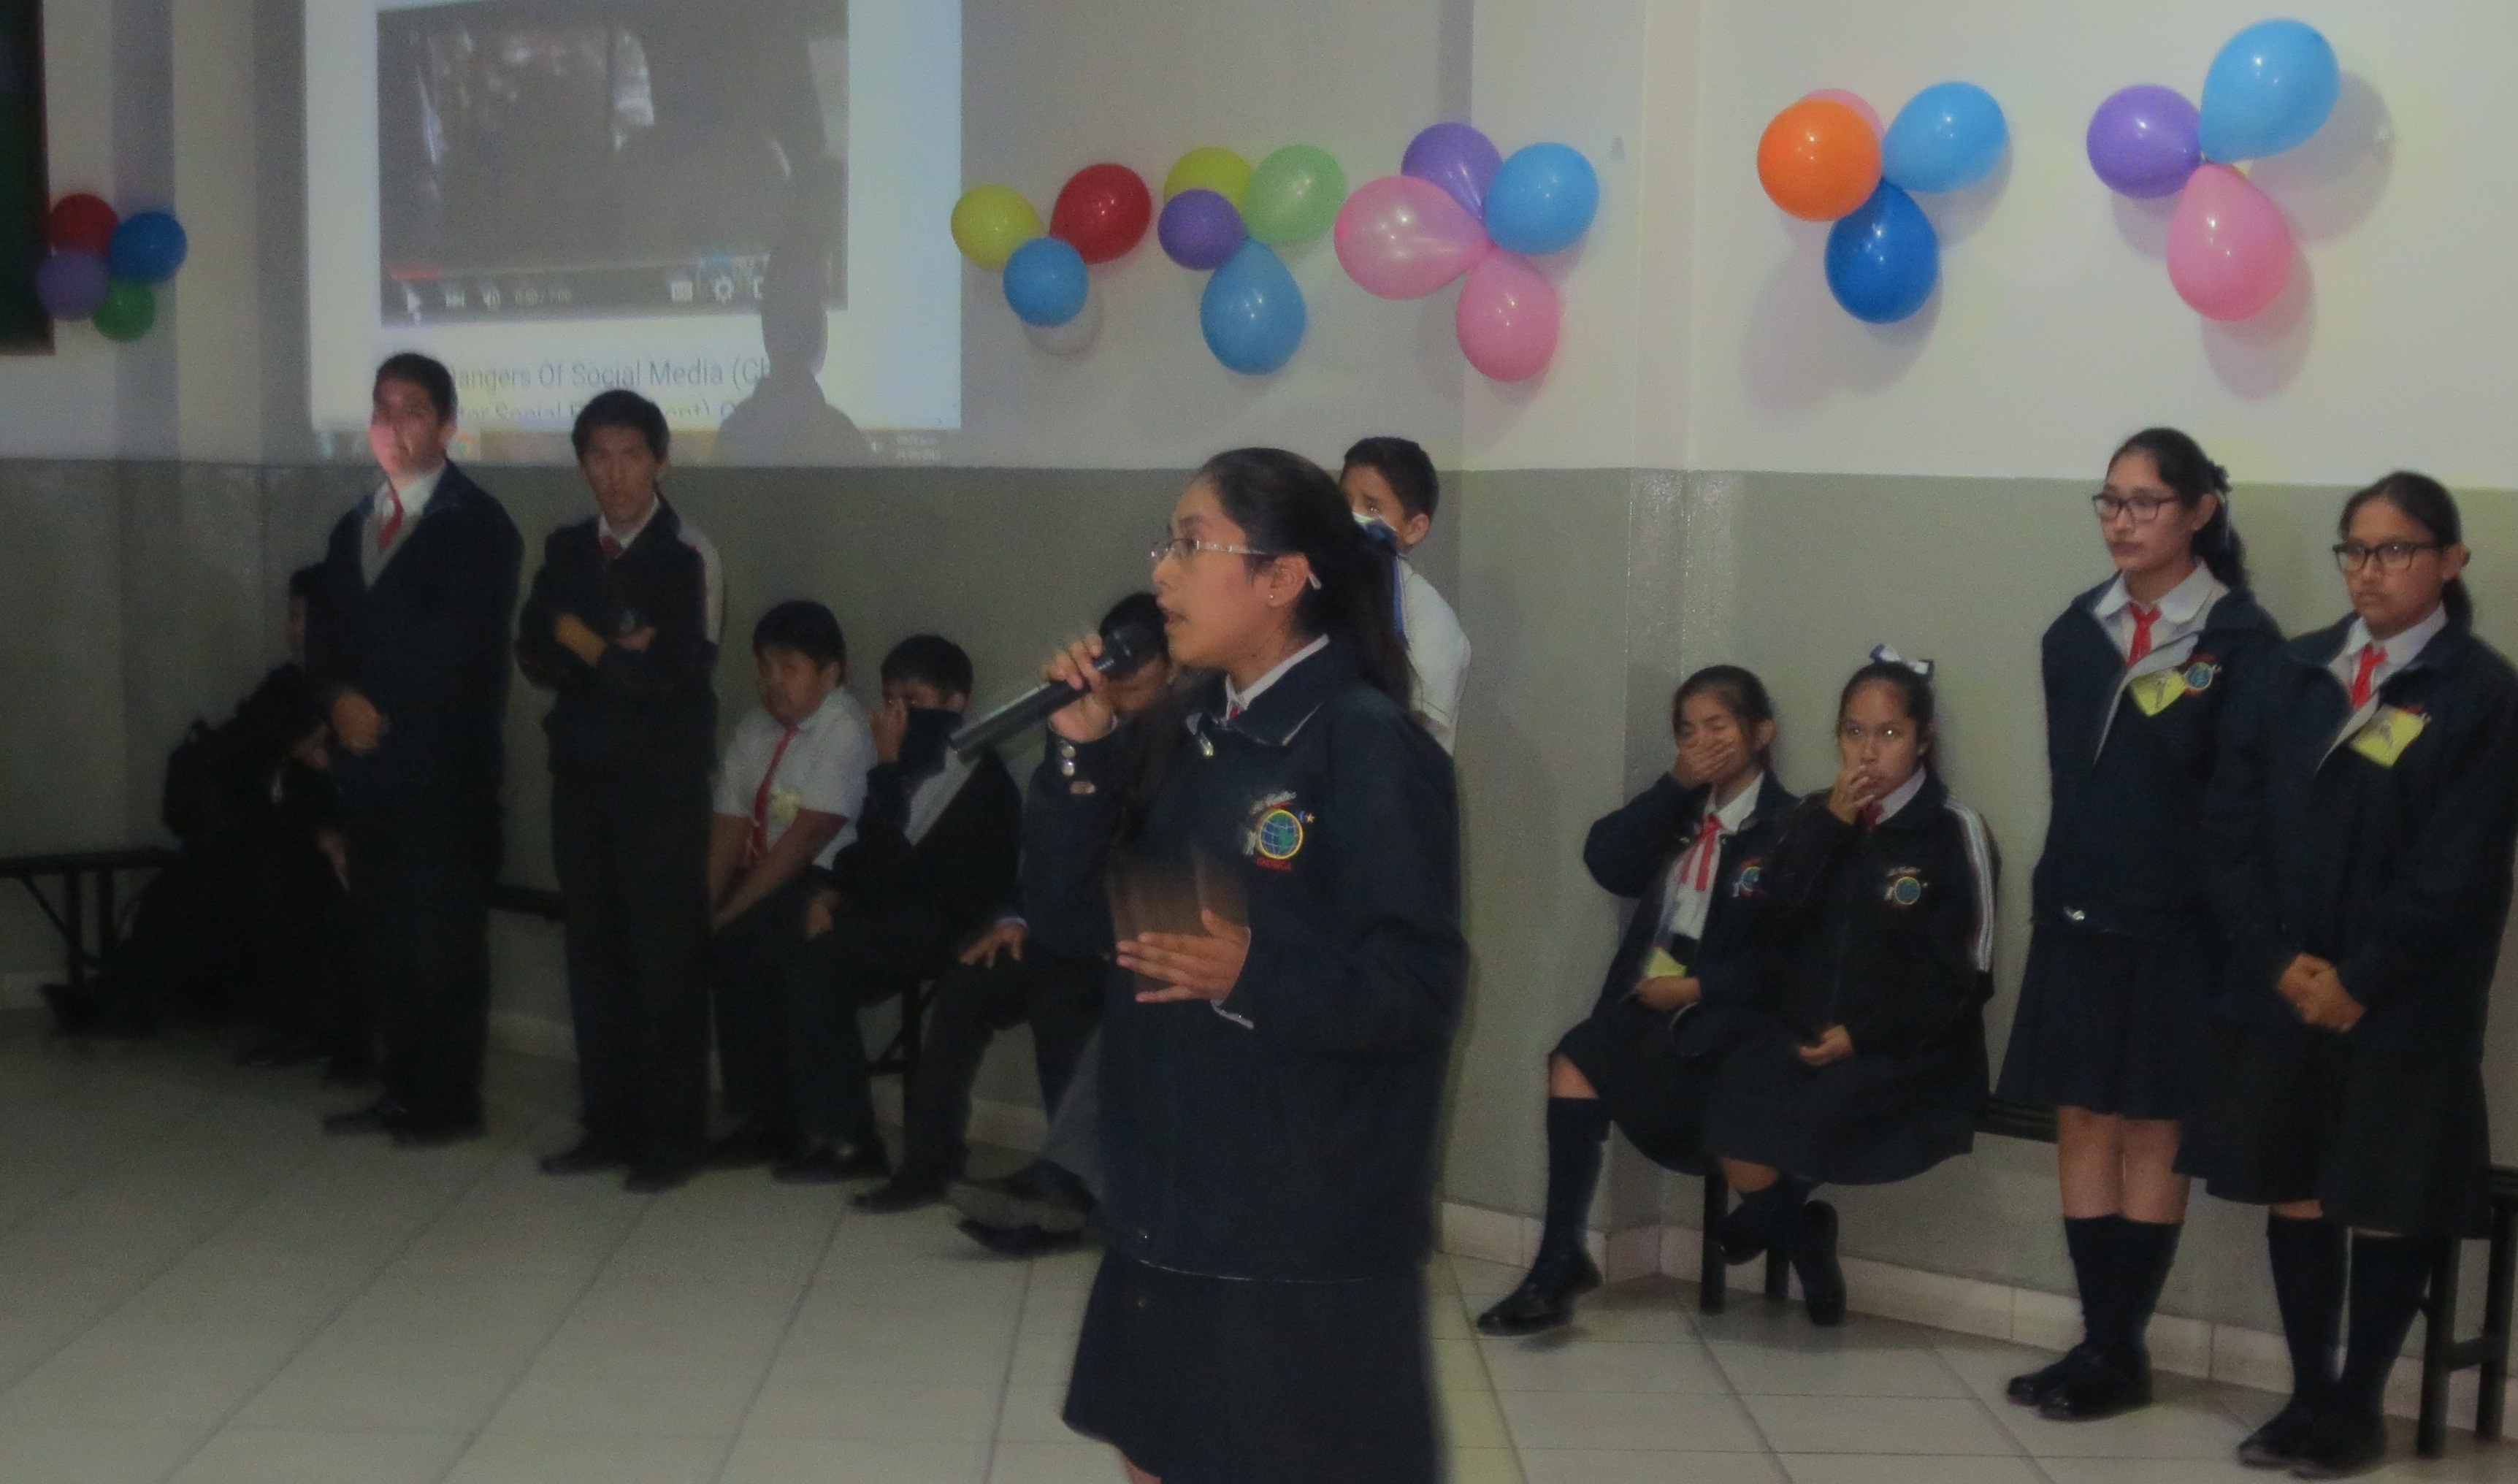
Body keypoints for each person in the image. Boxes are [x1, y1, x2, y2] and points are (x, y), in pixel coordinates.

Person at [1028, 448, 1466, 1484]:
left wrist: (1252, 975)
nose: (1163, 574)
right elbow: (1073, 921)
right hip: (1172, 1190)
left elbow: (1421, 987)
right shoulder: (1186, 730)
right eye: (1167, 545)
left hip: (1298, 1220)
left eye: (1193, 546)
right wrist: (1080, 754)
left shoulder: (1366, 743)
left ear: (1282, 578)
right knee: (1156, 1458)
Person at [2185, 473, 2518, 1477]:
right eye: (2355, 550)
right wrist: (2277, 961)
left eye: (2396, 550)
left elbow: (2459, 865)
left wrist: (2361, 978)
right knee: (2293, 1187)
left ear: (2449, 562)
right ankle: (2307, 1395)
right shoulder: (2291, 670)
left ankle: (2360, 1403)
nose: (2370, 571)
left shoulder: (2481, 690)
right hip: (2285, 985)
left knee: (2383, 1194)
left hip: (2405, 998)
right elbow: (2227, 829)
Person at [1997, 429, 2281, 1420]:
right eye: (2110, 501)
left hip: (2182, 925)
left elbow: (2245, 806)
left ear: (2199, 511)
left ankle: (2119, 1351)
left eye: (2146, 502)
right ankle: (2098, 1342)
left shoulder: (2240, 639)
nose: (2122, 521)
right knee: (2083, 1117)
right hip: (2080, 910)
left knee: (2155, 1125)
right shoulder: (2076, 632)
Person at [1478, 666, 1798, 1336]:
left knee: (1622, 1065)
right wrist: (1676, 784)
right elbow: (1608, 861)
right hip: (1655, 999)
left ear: (1761, 732)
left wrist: (1701, 987)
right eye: (1688, 730)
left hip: (1732, 1012)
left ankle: (1793, 1225)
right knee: (1575, 1057)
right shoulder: (1680, 811)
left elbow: (1789, 953)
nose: (1702, 742)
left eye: (1718, 726)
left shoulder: (1790, 826)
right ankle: (1559, 1257)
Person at [852, 594, 1176, 1216]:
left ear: (1174, 668)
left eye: (1142, 663)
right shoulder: (1083, 731)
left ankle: (1070, 1187)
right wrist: (1013, 914)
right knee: (969, 980)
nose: (1126, 676)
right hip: (1057, 922)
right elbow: (1047, 847)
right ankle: (928, 1166)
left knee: (1062, 990)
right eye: (1116, 660)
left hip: (1129, 942)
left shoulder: (1191, 748)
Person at [1702, 652, 1995, 1327]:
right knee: (1731, 1110)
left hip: (1910, 1047)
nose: (1869, 751)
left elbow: (1967, 975)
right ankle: (1801, 1235)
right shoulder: (1810, 816)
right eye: (1854, 732)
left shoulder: (1953, 829)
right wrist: (1828, 829)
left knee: (1817, 1113)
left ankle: (1769, 1225)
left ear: (1922, 740)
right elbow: (1768, 926)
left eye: (1889, 733)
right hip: (1802, 1031)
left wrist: (1862, 1034)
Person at [304, 352, 521, 1147]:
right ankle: (401, 1088)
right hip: (369, 775)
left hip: (442, 771)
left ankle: (449, 1101)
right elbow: (321, 640)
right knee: (387, 940)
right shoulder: (354, 525)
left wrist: (375, 709)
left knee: (443, 944)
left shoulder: (479, 524)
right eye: (381, 408)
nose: (392, 425)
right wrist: (337, 700)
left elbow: (456, 648)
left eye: (413, 410)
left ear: (447, 425)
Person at [517, 389, 724, 1193]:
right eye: (599, 457)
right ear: (582, 465)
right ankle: (608, 1125)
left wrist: (579, 636)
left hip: (660, 789)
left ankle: (672, 1138)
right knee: (594, 956)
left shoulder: (689, 554)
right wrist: (609, 646)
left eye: (632, 455)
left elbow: (667, 673)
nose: (616, 474)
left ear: (660, 461)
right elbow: (532, 651)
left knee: (664, 960)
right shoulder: (567, 546)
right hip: (581, 776)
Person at [772, 634, 1020, 1183]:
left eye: (914, 701)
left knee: (819, 965)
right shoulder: (907, 766)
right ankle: (803, 1122)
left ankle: (852, 1140)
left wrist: (885, 767)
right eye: (890, 701)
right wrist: (831, 893)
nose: (898, 715)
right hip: (892, 912)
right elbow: (869, 856)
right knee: (787, 935)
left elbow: (906, 864)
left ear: (957, 703)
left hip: (951, 922)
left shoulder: (978, 778)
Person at [705, 600, 873, 1169]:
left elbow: (805, 840)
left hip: (827, 882)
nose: (773, 683)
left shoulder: (843, 728)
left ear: (831, 673)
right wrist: (703, 907)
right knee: (715, 942)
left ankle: (805, 1122)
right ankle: (758, 1116)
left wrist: (730, 913)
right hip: (765, 877)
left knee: (750, 940)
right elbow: (728, 826)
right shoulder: (754, 728)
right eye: (765, 668)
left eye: (790, 668)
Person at [1340, 435, 1470, 752]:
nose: (1349, 516)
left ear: (1414, 528)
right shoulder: (1323, 591)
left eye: (1372, 506)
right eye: (1343, 501)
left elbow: (1398, 736)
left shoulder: (1430, 622)